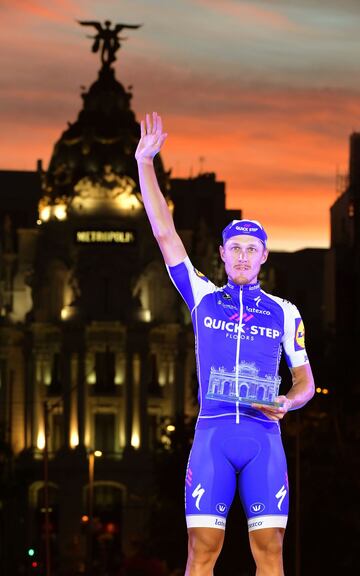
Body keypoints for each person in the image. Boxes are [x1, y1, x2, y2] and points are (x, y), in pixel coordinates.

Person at [135, 112, 315, 576]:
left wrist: (288, 402)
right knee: (201, 551)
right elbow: (163, 233)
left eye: (251, 249)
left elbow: (305, 381)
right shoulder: (203, 298)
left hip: (263, 438)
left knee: (271, 552)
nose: (242, 255)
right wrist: (145, 164)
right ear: (221, 254)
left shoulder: (284, 311)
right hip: (213, 435)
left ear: (263, 257)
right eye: (234, 247)